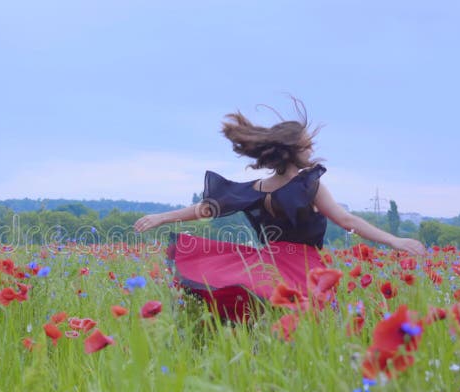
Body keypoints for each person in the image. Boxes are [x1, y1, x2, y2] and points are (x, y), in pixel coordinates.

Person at [133, 100, 425, 322]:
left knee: (270, 319)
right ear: (294, 150)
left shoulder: (260, 187)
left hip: (267, 264)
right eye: (306, 143)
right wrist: (394, 241)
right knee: (306, 323)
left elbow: (207, 208)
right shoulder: (308, 185)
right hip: (304, 267)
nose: (311, 147)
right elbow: (346, 220)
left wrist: (163, 217)